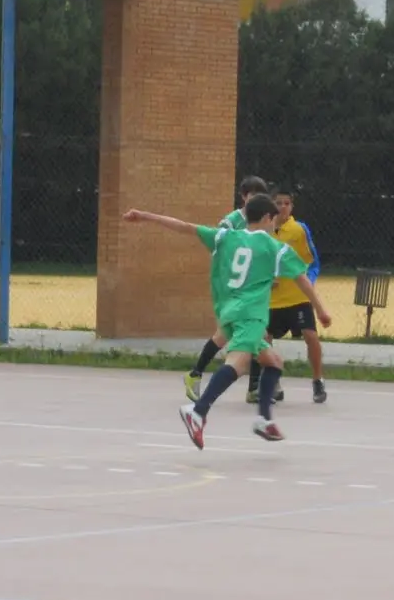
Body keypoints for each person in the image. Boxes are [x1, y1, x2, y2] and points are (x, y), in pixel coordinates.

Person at [123, 195, 332, 450]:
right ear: (267, 218)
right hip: (250, 315)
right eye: (273, 219)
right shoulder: (273, 247)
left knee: (273, 362)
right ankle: (197, 412)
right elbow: (301, 278)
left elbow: (184, 227)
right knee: (239, 363)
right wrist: (321, 310)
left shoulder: (226, 236)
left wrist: (145, 216)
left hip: (227, 312)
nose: (273, 224)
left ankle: (264, 419)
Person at [184, 175, 271, 403]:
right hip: (233, 289)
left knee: (234, 336)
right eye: (252, 195)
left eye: (259, 195)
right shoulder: (230, 222)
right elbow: (219, 248)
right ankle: (249, 387)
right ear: (243, 197)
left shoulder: (262, 220)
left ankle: (197, 373)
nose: (255, 199)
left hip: (251, 289)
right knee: (247, 335)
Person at [265, 188, 327, 404]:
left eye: (286, 203)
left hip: (297, 298)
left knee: (310, 336)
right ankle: (274, 381)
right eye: (278, 203)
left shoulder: (299, 230)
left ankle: (318, 380)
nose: (282, 207)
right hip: (271, 300)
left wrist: (308, 281)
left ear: (292, 207)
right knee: (264, 339)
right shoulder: (263, 231)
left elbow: (313, 261)